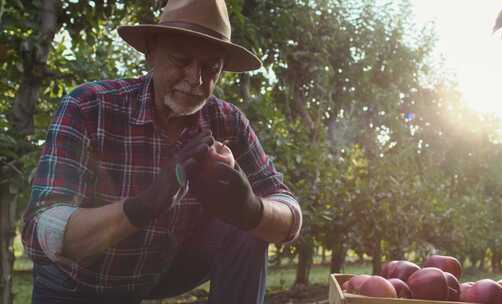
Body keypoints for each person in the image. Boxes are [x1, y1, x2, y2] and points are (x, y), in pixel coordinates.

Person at [21, 0, 302, 303]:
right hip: (78, 284)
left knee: (249, 229)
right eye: (181, 59)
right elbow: (41, 232)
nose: (196, 79)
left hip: (159, 272)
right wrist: (144, 204)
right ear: (151, 52)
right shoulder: (90, 107)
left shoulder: (227, 120)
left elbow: (289, 212)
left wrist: (250, 209)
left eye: (211, 68)